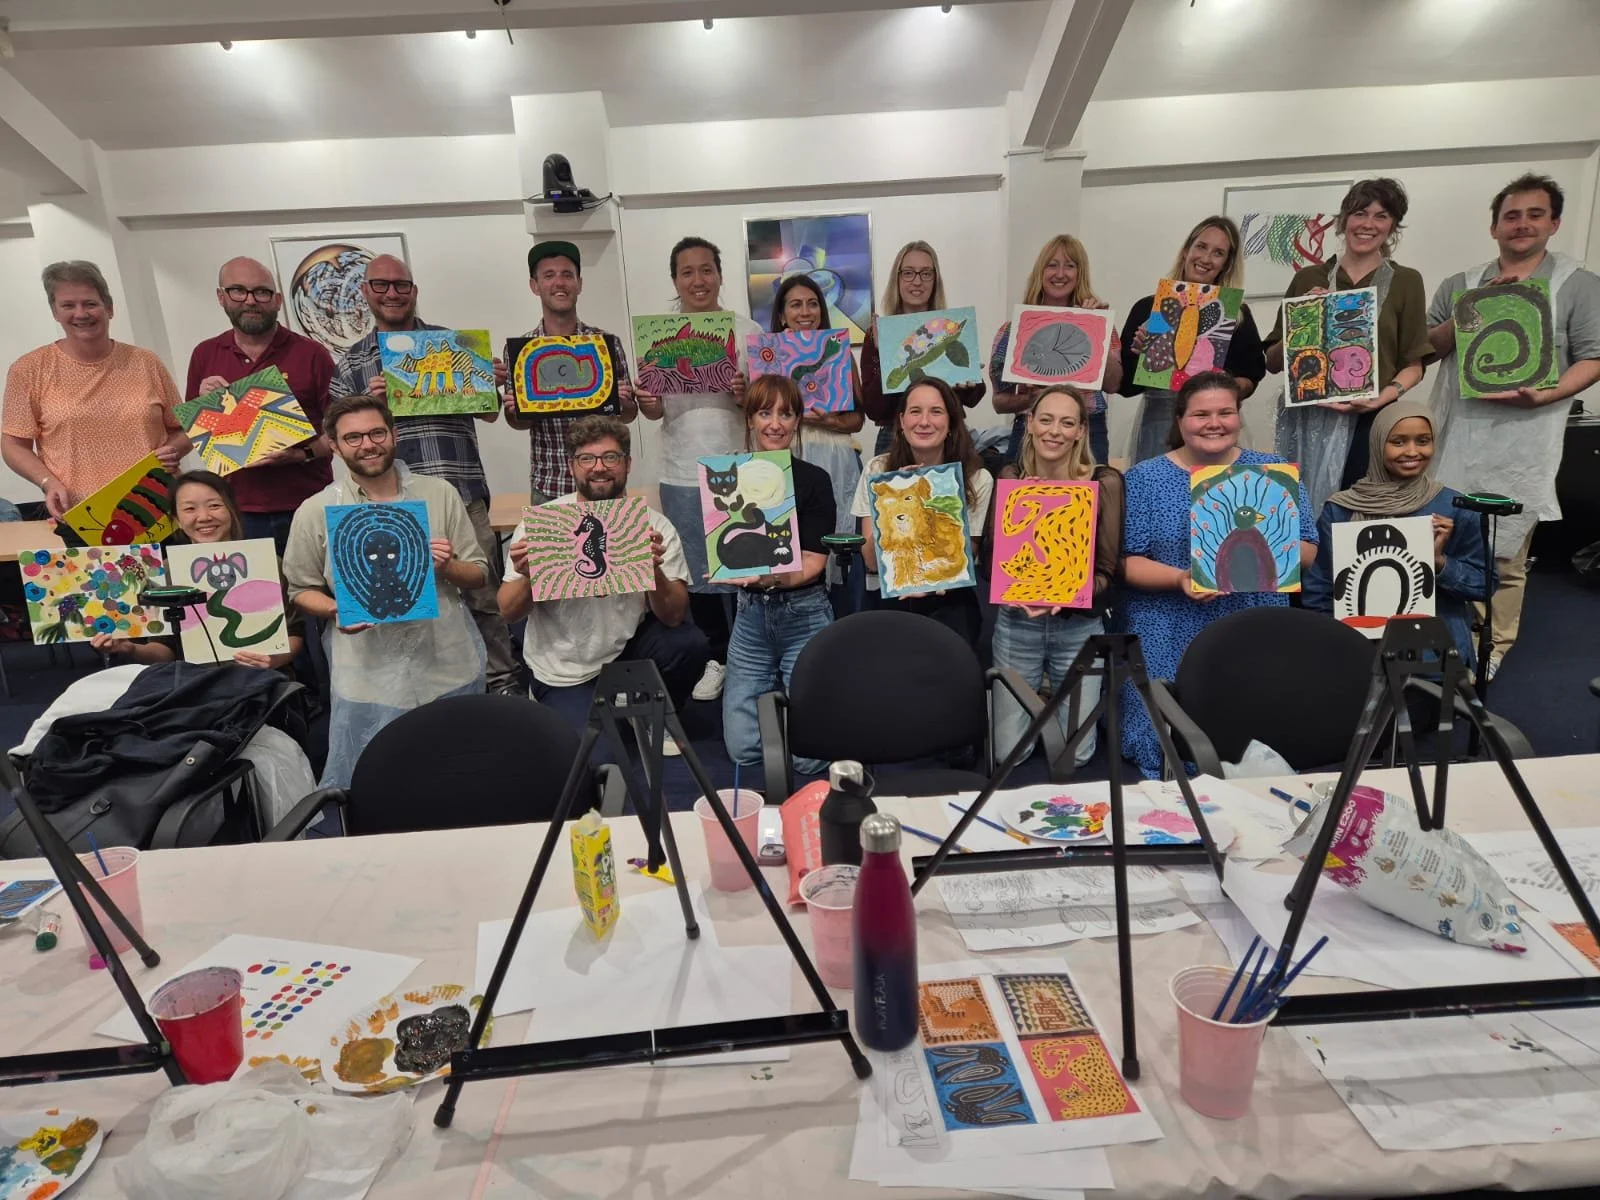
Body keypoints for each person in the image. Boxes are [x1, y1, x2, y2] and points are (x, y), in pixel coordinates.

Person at [1426, 172, 1600, 678]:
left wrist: (1548, 394)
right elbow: (1429, 347)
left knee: (1505, 549)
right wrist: (1466, 314)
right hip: (1459, 431)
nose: (1521, 224)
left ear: (1555, 222)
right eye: (1511, 216)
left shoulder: (1578, 286)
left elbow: (1592, 357)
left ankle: (1492, 646)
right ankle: (1454, 631)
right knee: (1446, 534)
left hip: (1525, 438)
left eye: (1534, 214)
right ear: (1494, 227)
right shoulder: (1460, 285)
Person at [328, 253, 518, 695]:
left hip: (460, 490)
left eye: (401, 285)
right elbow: (335, 436)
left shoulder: (454, 346)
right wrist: (364, 399)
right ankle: (424, 686)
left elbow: (490, 414)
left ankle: (502, 682)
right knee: (403, 595)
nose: (392, 293)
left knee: (482, 592)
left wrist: (488, 381)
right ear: (365, 293)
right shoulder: (353, 362)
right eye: (381, 285)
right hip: (386, 503)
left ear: (414, 291)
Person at [283, 394, 487, 788]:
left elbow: (478, 575)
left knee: (459, 776)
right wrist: (335, 610)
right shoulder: (315, 510)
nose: (368, 444)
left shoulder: (439, 493)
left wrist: (447, 566)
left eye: (377, 432)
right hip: (367, 672)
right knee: (383, 784)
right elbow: (300, 588)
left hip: (445, 661)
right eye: (353, 437)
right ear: (335, 446)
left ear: (394, 434)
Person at [1119, 371, 1317, 778]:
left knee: (1252, 741)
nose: (1214, 423)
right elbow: (1127, 561)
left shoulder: (1272, 471)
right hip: (1168, 623)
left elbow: (1308, 550)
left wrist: (1256, 561)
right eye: (1201, 414)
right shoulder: (1144, 478)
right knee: (1163, 745)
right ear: (1180, 421)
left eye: (1226, 412)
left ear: (1239, 417)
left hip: (1250, 616)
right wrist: (1179, 579)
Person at [499, 416, 708, 756]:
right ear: (572, 466)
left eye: (610, 457)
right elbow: (507, 611)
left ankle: (650, 711)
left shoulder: (653, 525)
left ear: (627, 464)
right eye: (587, 458)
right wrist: (530, 575)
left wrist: (652, 569)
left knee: (689, 642)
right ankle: (574, 706)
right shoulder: (544, 524)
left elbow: (674, 616)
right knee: (600, 767)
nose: (599, 468)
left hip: (627, 647)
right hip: (566, 668)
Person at [635, 236, 762, 703]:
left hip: (737, 465)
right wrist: (647, 401)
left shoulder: (746, 331)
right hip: (680, 469)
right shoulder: (657, 335)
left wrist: (745, 392)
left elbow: (765, 407)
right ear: (675, 280)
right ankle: (714, 656)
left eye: (706, 270)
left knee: (744, 561)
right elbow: (652, 412)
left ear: (720, 275)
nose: (698, 280)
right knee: (695, 570)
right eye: (687, 272)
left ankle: (745, 653)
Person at [1264, 178, 1430, 514]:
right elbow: (1272, 361)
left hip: (1371, 420)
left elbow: (1414, 363)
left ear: (1393, 226)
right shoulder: (1308, 277)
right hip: (1308, 418)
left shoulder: (1406, 281)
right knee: (1301, 514)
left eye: (1381, 216)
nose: (1368, 224)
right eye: (1359, 213)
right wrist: (1303, 324)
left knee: (1359, 516)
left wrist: (1380, 399)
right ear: (1343, 221)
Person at [990, 386, 1124, 768]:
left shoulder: (1105, 482)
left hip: (1077, 627)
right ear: (1028, 423)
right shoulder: (1011, 477)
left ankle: (1050, 705)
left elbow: (1108, 572)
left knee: (1076, 754)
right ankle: (1041, 706)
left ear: (1082, 430)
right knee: (1008, 754)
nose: (1055, 431)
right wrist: (1018, 590)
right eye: (1045, 419)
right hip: (1018, 623)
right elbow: (991, 564)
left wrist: (1065, 592)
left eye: (1067, 423)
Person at [1303, 401, 1491, 669]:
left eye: (1423, 441)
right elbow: (1319, 588)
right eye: (1398, 442)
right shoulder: (1342, 508)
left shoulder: (1455, 508)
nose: (1412, 451)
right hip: (1364, 652)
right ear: (1378, 444)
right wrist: (1335, 644)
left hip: (1434, 656)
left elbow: (1485, 585)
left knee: (1432, 711)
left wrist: (1440, 563)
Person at [3, 261, 189, 520]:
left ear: (109, 308)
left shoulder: (146, 362)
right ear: (55, 312)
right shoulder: (28, 370)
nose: (80, 313)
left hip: (155, 509)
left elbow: (183, 429)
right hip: (80, 517)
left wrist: (173, 451)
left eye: (90, 303)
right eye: (68, 305)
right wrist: (47, 481)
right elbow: (13, 444)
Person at [720, 375, 836, 777]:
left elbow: (814, 562)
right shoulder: (728, 476)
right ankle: (783, 702)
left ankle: (796, 703)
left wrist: (767, 579)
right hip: (751, 618)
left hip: (804, 613)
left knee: (812, 758)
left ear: (797, 421)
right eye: (764, 412)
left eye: (785, 414)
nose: (775, 423)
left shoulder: (815, 480)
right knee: (742, 749)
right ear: (749, 419)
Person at [186, 256, 336, 554]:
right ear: (221, 297)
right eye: (238, 291)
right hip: (238, 510)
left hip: (309, 502)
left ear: (278, 299)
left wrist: (299, 455)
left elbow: (338, 431)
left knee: (319, 594)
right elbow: (196, 434)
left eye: (262, 292)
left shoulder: (311, 353)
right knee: (253, 599)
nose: (251, 301)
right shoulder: (205, 354)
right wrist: (206, 405)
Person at [91, 470, 308, 669]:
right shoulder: (165, 572)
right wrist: (130, 648)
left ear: (232, 510)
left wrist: (273, 660)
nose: (204, 517)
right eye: (189, 509)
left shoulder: (267, 560)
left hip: (264, 685)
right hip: (194, 689)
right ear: (176, 519)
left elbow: (294, 633)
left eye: (214, 505)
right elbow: (164, 651)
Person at [851, 376, 994, 645]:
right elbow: (870, 561)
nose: (924, 421)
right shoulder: (877, 470)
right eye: (915, 411)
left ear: (951, 422)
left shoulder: (978, 478)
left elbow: (964, 556)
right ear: (902, 422)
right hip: (888, 599)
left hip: (949, 601)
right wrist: (892, 502)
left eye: (936, 412)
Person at [1117, 216, 1268, 462]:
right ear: (1186, 250)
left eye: (1218, 253)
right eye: (1201, 246)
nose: (1206, 259)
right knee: (1159, 495)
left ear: (1226, 265)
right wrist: (1140, 355)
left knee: (1211, 497)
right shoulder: (1151, 308)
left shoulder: (1237, 316)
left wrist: (1225, 385)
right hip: (1159, 425)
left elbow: (1252, 376)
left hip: (1214, 427)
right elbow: (1125, 387)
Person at [501, 240, 638, 504]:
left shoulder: (605, 345)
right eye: (548, 275)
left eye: (567, 274)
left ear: (579, 283)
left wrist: (623, 403)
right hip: (549, 483)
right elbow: (517, 422)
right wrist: (514, 410)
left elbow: (629, 415)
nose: (559, 283)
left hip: (604, 482)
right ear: (534, 285)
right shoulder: (521, 351)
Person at [989, 235, 1121, 464]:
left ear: (1080, 274)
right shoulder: (1013, 331)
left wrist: (1094, 328)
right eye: (1052, 265)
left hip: (1089, 429)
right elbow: (999, 402)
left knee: (1088, 498)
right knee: (1023, 498)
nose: (1060, 274)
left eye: (1070, 266)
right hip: (1031, 430)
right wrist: (1029, 399)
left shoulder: (1099, 323)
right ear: (1040, 271)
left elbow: (1113, 383)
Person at [859, 241, 986, 456]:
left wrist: (970, 381)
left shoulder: (950, 325)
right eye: (908, 273)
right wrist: (886, 356)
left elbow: (974, 398)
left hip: (947, 435)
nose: (917, 281)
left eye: (926, 273)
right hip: (894, 438)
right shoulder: (877, 334)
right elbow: (873, 409)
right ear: (897, 279)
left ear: (935, 280)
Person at [767, 273, 862, 545]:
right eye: (796, 305)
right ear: (783, 315)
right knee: (787, 538)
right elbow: (758, 414)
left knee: (840, 535)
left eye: (812, 303)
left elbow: (857, 420)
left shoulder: (840, 352)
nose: (805, 311)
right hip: (787, 453)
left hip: (836, 454)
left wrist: (829, 421)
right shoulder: (768, 356)